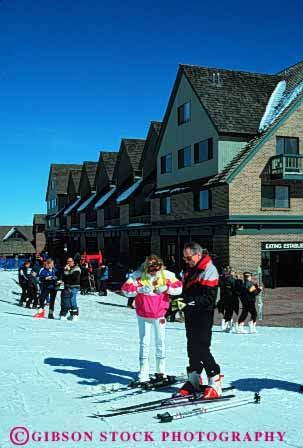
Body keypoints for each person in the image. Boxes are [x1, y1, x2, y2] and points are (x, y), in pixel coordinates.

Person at [173, 242, 223, 399]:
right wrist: (177, 301)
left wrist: (188, 302)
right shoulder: (190, 269)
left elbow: (209, 298)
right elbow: (185, 290)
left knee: (202, 347)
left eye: (189, 258)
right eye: (184, 258)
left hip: (203, 312)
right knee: (191, 346)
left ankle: (215, 379)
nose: (187, 261)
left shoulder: (209, 270)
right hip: (191, 312)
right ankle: (194, 379)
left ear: (198, 254)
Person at [121, 255, 182, 382]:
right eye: (151, 270)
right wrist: (139, 289)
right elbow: (125, 290)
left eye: (156, 269)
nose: (154, 272)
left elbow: (179, 287)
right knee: (144, 342)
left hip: (160, 313)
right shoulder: (137, 275)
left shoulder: (166, 275)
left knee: (160, 341)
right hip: (143, 314)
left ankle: (161, 370)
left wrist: (167, 288)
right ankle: (143, 371)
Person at [220, 268, 240, 332]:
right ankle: (227, 325)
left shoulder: (223, 279)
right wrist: (238, 280)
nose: (234, 273)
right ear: (231, 272)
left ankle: (228, 325)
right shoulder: (232, 280)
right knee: (230, 311)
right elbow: (236, 288)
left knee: (228, 311)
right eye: (233, 272)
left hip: (225, 298)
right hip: (231, 298)